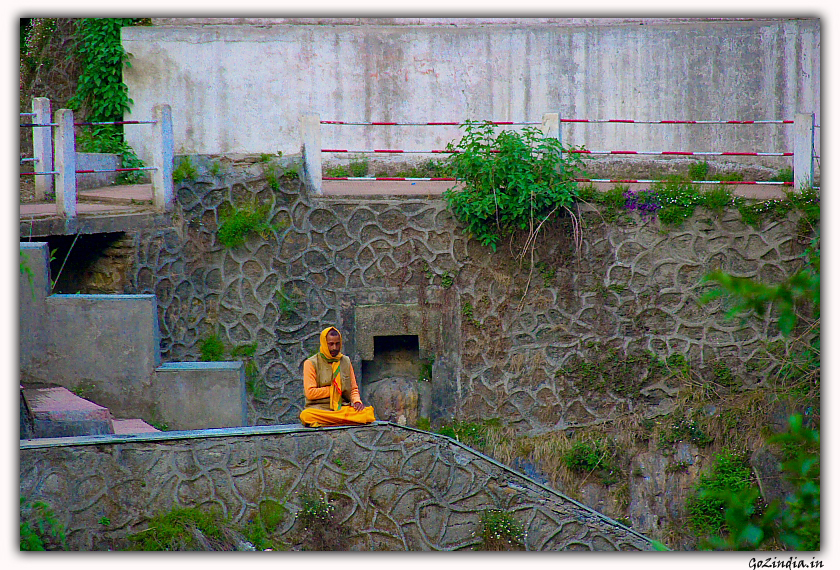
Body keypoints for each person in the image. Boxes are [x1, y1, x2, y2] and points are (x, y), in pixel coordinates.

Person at [299, 326, 376, 427]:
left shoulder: (345, 361)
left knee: (367, 414)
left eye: (337, 344)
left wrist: (357, 401)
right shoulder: (310, 363)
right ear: (324, 344)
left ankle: (333, 421)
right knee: (306, 416)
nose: (334, 348)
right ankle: (341, 421)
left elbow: (353, 389)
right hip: (320, 409)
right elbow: (310, 393)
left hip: (342, 407)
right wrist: (335, 389)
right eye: (331, 344)